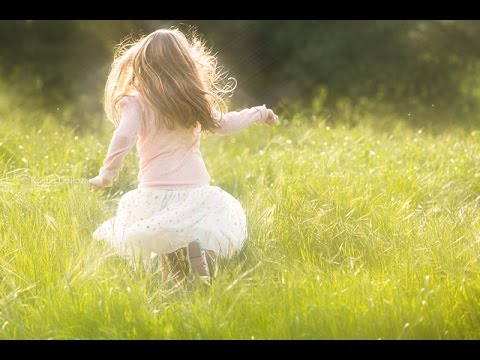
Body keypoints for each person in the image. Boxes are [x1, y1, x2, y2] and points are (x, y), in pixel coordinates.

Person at [89, 28, 278, 285]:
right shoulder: (191, 101)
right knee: (198, 232)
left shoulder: (136, 102)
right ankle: (201, 262)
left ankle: (176, 287)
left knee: (165, 242)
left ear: (143, 64)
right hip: (196, 190)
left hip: (155, 193)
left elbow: (123, 136)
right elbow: (226, 124)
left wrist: (106, 174)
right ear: (185, 64)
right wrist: (258, 113)